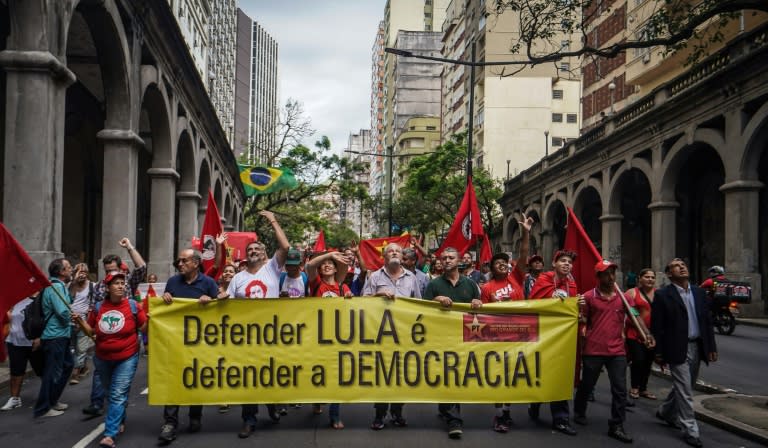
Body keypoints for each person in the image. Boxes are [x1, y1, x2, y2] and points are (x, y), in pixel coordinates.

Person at [573, 261, 655, 444]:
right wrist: (581, 319)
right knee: (587, 385)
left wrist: (647, 334)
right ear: (598, 277)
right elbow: (583, 320)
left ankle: (616, 425)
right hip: (593, 351)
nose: (611, 277)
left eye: (613, 273)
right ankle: (579, 410)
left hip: (617, 351)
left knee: (619, 390)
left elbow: (635, 316)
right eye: (606, 274)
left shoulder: (624, 298)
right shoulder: (589, 297)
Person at [225, 210, 290, 438]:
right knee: (249, 379)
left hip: (271, 335)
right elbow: (229, 307)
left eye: (257, 250)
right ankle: (249, 419)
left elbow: (285, 247)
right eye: (249, 250)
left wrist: (273, 220)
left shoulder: (271, 269)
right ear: (246, 255)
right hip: (246, 337)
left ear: (264, 255)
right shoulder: (238, 278)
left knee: (269, 376)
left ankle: (272, 406)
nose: (253, 252)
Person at [652, 258, 717, 448]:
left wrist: (711, 347)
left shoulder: (699, 292)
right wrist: (658, 351)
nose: (681, 267)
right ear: (669, 274)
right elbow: (658, 326)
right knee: (685, 390)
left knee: (686, 385)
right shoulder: (663, 295)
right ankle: (690, 429)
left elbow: (707, 321)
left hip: (696, 345)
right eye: (676, 266)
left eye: (683, 265)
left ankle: (665, 411)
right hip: (676, 347)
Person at [157, 248, 219, 444]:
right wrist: (165, 298)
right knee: (173, 380)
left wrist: (210, 301)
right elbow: (165, 309)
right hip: (175, 341)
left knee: (196, 378)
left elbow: (220, 310)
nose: (180, 264)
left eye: (184, 261)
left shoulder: (208, 283)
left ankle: (195, 415)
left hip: (200, 342)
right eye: (179, 262)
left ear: (196, 263)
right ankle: (170, 423)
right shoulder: (173, 282)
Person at [480, 213, 532, 432]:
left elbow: (524, 253)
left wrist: (526, 232)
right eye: (497, 263)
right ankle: (499, 415)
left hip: (520, 335)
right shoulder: (486, 288)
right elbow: (481, 316)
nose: (502, 264)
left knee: (513, 377)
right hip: (497, 338)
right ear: (491, 269)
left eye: (504, 262)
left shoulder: (517, 278)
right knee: (499, 377)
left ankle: (507, 412)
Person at [84, 271, 148, 448]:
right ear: (108, 287)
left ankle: (109, 435)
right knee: (110, 393)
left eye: (122, 283)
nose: (120, 286)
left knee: (117, 394)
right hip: (102, 358)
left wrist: (152, 318)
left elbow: (144, 329)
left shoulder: (134, 306)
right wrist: (80, 323)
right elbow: (91, 332)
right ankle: (119, 419)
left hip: (126, 357)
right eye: (116, 283)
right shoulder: (98, 308)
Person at [423, 247, 482, 439]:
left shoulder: (471, 284)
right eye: (444, 258)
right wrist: (435, 300)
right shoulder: (433, 285)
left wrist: (477, 303)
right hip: (441, 338)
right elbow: (422, 310)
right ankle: (454, 420)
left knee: (457, 376)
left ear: (458, 261)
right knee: (448, 375)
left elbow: (478, 311)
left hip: (464, 339)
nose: (447, 260)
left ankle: (447, 410)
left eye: (451, 257)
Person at [84, 239, 146, 417]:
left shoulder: (127, 282)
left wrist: (129, 248)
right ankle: (97, 403)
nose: (110, 274)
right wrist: (93, 331)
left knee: (119, 386)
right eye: (107, 270)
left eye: (113, 269)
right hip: (104, 342)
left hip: (127, 343)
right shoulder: (100, 287)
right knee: (100, 374)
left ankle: (117, 414)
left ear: (120, 269)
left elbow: (141, 267)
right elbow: (94, 308)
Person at [362, 243, 421, 430]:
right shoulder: (375, 276)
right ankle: (380, 414)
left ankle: (397, 411)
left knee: (401, 375)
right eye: (390, 251)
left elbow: (419, 305)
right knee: (382, 375)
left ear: (402, 256)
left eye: (397, 251)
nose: (394, 252)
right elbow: (362, 301)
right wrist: (377, 295)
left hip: (404, 335)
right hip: (381, 335)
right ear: (384, 256)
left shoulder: (412, 277)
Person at [527, 250, 579, 436]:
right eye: (563, 261)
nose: (567, 264)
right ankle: (535, 402)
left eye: (569, 262)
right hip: (543, 335)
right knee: (542, 373)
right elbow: (534, 302)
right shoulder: (544, 279)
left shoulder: (572, 284)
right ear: (554, 263)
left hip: (562, 338)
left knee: (560, 376)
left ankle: (561, 419)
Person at [305, 250, 351, 429]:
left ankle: (335, 415)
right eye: (324, 263)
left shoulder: (342, 288)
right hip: (317, 337)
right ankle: (317, 400)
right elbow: (309, 266)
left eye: (331, 263)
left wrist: (349, 299)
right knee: (319, 373)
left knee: (337, 377)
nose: (326, 265)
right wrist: (329, 254)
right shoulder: (316, 284)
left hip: (338, 339)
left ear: (336, 268)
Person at [33, 258, 74, 418]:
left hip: (60, 335)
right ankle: (42, 408)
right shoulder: (56, 286)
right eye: (69, 267)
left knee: (67, 365)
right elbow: (63, 312)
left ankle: (52, 400)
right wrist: (71, 319)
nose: (71, 269)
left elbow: (68, 302)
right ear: (61, 272)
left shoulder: (58, 286)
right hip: (55, 335)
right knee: (52, 372)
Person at [1, 293, 45, 411]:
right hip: (14, 341)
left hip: (33, 342)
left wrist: (39, 337)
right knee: (16, 372)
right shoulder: (12, 301)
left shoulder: (38, 300)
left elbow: (44, 320)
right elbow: (6, 320)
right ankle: (14, 399)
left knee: (41, 371)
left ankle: (49, 397)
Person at [625, 268, 657, 400]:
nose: (650, 279)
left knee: (648, 361)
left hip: (652, 335)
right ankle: (634, 387)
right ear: (639, 279)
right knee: (638, 359)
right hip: (634, 332)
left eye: (652, 277)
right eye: (647, 277)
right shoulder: (631, 293)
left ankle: (643, 388)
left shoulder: (659, 294)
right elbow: (628, 313)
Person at [68, 263, 96, 385]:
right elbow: (69, 298)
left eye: (85, 272)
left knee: (81, 348)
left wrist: (87, 322)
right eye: (80, 272)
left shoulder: (92, 286)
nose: (83, 274)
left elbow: (93, 305)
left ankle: (75, 373)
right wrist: (74, 283)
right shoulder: (69, 285)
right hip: (68, 322)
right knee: (72, 348)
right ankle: (83, 367)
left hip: (83, 322)